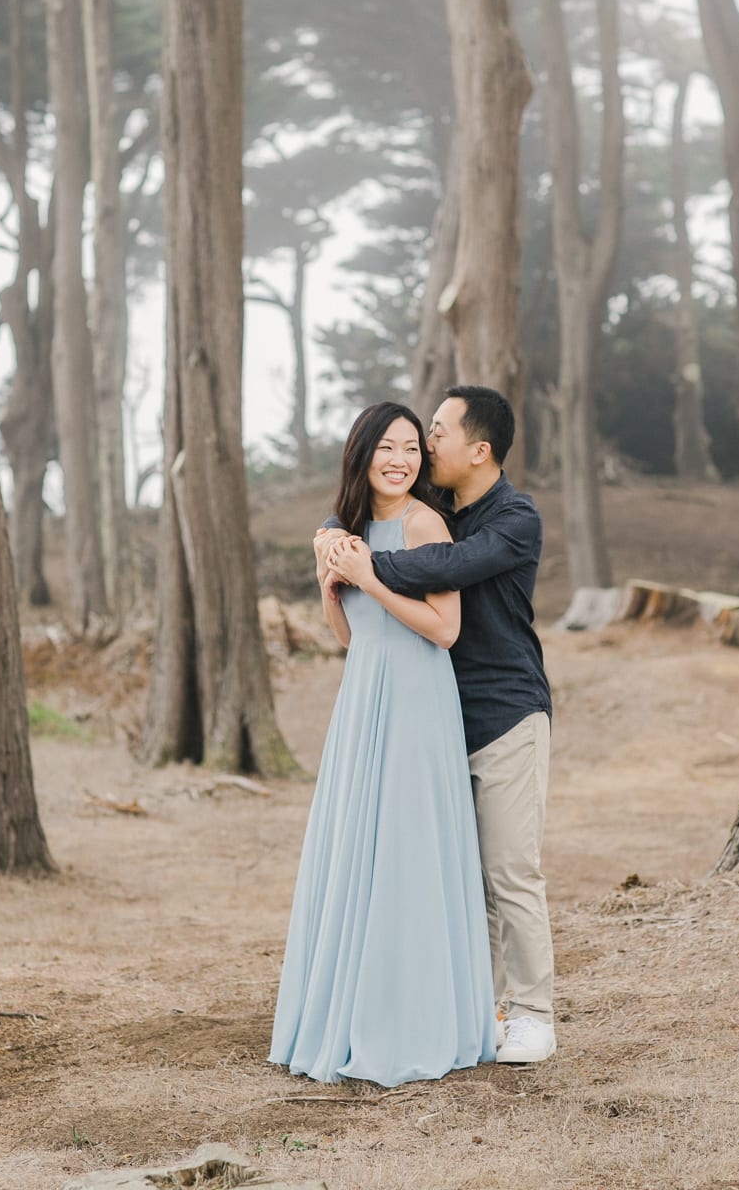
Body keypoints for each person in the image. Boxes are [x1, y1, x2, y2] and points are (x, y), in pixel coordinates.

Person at [320, 386, 556, 1065]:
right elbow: (371, 505)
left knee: (510, 870)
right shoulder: (438, 507)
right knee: (460, 875)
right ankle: (473, 1012)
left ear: (479, 449)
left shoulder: (515, 518)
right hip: (440, 716)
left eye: (439, 431)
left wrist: (361, 565)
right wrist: (333, 536)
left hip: (508, 713)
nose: (426, 444)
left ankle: (534, 1014)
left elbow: (452, 566)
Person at [269, 401, 495, 1087]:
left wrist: (370, 576)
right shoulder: (346, 530)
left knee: (406, 851)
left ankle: (414, 1022)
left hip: (419, 701)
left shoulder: (426, 523)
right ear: (362, 454)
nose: (400, 460)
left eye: (411, 449)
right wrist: (330, 586)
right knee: (356, 852)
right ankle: (348, 1011)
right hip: (363, 698)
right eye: (387, 448)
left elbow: (445, 629)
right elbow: (350, 637)